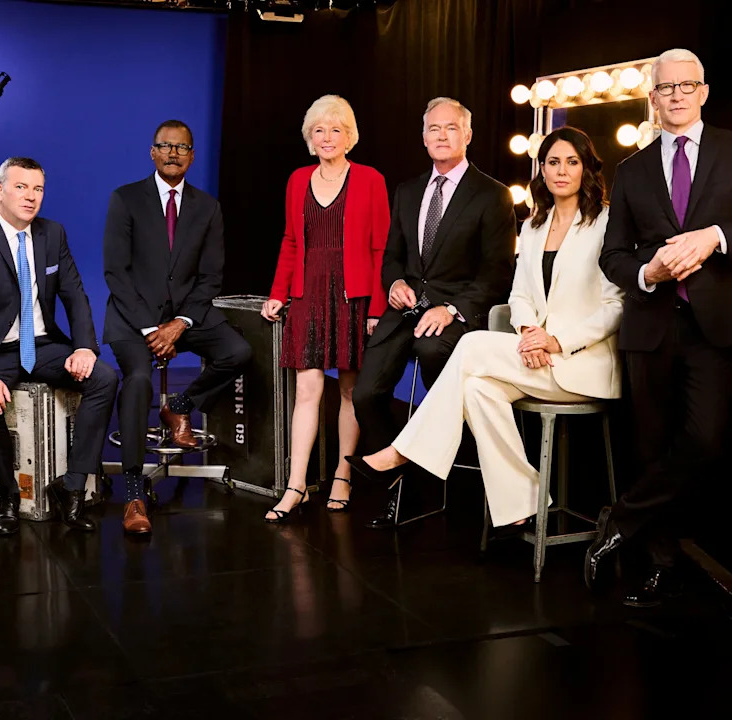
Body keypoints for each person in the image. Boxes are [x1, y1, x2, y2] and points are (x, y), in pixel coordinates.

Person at [349, 127, 624, 531]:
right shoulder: (534, 226)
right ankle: (523, 502)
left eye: (572, 162)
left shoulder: (607, 223)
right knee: (478, 389)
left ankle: (403, 452)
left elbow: (616, 306)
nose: (562, 171)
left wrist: (555, 340)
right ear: (542, 170)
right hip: (536, 356)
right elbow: (519, 294)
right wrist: (529, 331)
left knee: (473, 345)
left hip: (582, 363)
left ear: (587, 168)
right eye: (553, 162)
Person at [590, 48, 732, 606]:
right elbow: (612, 256)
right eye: (666, 87)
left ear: (703, 91)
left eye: (686, 85)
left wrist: (715, 236)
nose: (676, 95)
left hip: (714, 326)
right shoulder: (631, 171)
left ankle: (621, 518)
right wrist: (647, 272)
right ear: (653, 97)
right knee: (650, 447)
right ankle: (660, 564)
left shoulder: (730, 149)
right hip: (650, 327)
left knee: (705, 439)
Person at [352, 96, 516, 529]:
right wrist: (394, 283)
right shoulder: (407, 191)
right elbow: (392, 256)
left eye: (451, 128)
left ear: (468, 135)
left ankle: (443, 476)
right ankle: (398, 476)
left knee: (431, 354)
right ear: (423, 138)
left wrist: (452, 309)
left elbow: (498, 274)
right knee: (365, 394)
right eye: (433, 129)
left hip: (454, 313)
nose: (441, 136)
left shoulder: (493, 195)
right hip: (406, 309)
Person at [0, 157, 118, 537]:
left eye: (38, 188)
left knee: (104, 379)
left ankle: (72, 487)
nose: (30, 196)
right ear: (0, 191)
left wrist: (85, 347)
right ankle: (8, 494)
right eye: (21, 187)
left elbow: (74, 295)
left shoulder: (52, 234)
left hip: (42, 344)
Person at [103, 120, 252, 535]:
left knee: (238, 352)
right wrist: (151, 328)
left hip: (185, 316)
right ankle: (134, 493)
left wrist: (179, 324)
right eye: (165, 146)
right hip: (133, 319)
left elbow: (211, 277)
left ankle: (181, 406)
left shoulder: (207, 207)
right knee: (137, 381)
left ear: (191, 156)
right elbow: (115, 272)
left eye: (182, 147)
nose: (173, 153)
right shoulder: (126, 199)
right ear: (152, 152)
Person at [260, 95, 389, 521]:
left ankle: (342, 475)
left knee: (350, 390)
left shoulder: (370, 179)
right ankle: (296, 485)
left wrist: (376, 308)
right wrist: (278, 293)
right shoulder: (298, 179)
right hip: (308, 294)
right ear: (310, 138)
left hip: (354, 296)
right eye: (319, 130)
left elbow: (380, 247)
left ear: (349, 137)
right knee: (307, 391)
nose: (327, 137)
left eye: (336, 130)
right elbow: (290, 240)